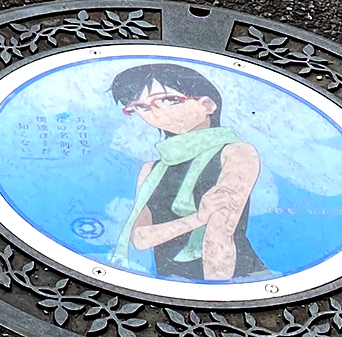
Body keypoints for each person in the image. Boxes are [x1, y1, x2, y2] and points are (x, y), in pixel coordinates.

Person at [111, 62, 264, 281]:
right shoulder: (151, 169)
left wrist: (216, 301)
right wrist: (198, 218)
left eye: (169, 100)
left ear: (208, 105)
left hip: (237, 280)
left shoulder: (236, 153)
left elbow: (220, 234)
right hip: (172, 283)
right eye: (141, 107)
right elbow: (140, 237)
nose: (157, 113)